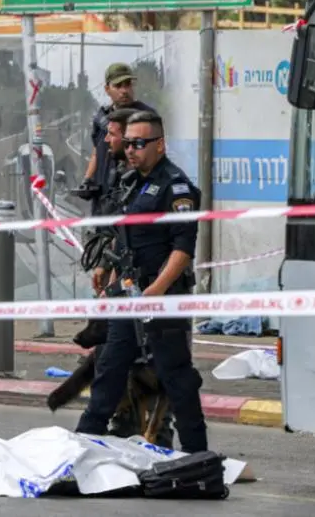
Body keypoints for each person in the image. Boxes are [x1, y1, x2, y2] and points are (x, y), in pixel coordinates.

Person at [76, 110, 207, 453]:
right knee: (108, 369)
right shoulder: (132, 182)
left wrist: (156, 291)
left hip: (161, 298)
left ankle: (197, 455)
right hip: (129, 295)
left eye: (139, 143)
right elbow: (126, 240)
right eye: (128, 143)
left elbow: (183, 249)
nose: (130, 150)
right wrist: (109, 273)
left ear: (159, 145)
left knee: (175, 377)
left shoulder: (176, 188)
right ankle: (80, 446)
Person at [75, 63, 156, 213]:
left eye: (128, 84)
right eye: (118, 86)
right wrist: (87, 180)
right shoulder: (101, 118)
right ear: (107, 89)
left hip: (133, 198)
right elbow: (97, 152)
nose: (124, 91)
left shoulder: (146, 116)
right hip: (104, 198)